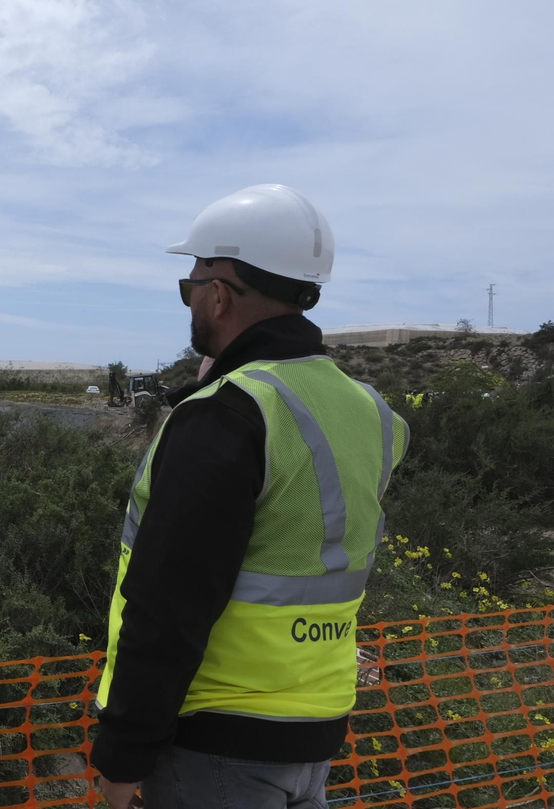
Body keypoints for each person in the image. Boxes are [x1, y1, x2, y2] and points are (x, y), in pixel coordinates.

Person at [91, 184, 409, 809]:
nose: (189, 301)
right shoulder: (368, 410)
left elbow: (169, 605)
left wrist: (123, 754)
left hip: (212, 740)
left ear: (218, 293)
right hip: (315, 730)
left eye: (189, 286)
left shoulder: (227, 416)